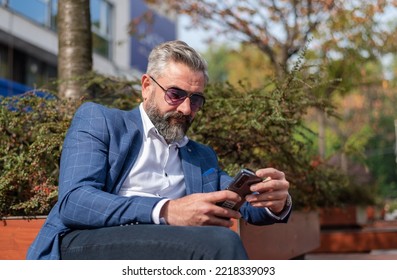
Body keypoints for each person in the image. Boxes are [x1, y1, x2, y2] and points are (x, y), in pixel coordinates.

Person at [27, 40, 292, 260]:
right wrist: (166, 211)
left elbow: (239, 205)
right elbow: (75, 202)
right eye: (175, 94)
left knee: (217, 241)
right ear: (146, 87)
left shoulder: (200, 156)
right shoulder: (101, 121)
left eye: (196, 99)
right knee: (221, 242)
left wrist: (274, 202)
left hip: (168, 246)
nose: (186, 110)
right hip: (88, 243)